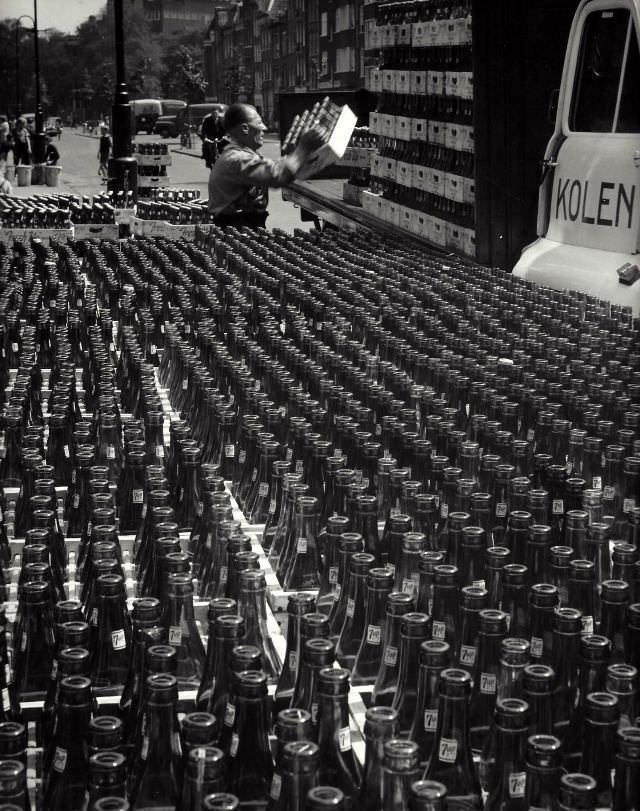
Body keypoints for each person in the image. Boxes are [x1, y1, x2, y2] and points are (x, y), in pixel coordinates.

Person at [208, 103, 324, 230]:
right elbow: (277, 175)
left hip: (242, 226)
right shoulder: (237, 159)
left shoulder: (242, 154)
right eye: (259, 123)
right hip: (237, 229)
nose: (264, 128)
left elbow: (280, 170)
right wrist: (303, 148)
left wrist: (299, 157)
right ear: (245, 128)